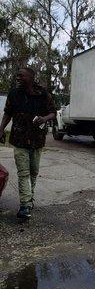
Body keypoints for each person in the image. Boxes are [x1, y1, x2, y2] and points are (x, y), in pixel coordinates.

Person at [0, 68, 56, 219]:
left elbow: (53, 112)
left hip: (37, 140)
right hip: (19, 140)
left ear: (31, 78)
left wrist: (44, 119)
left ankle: (29, 199)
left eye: (21, 75)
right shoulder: (13, 94)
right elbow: (7, 113)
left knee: (33, 172)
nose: (17, 77)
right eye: (17, 75)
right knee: (23, 173)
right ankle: (25, 205)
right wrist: (1, 129)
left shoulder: (43, 94)